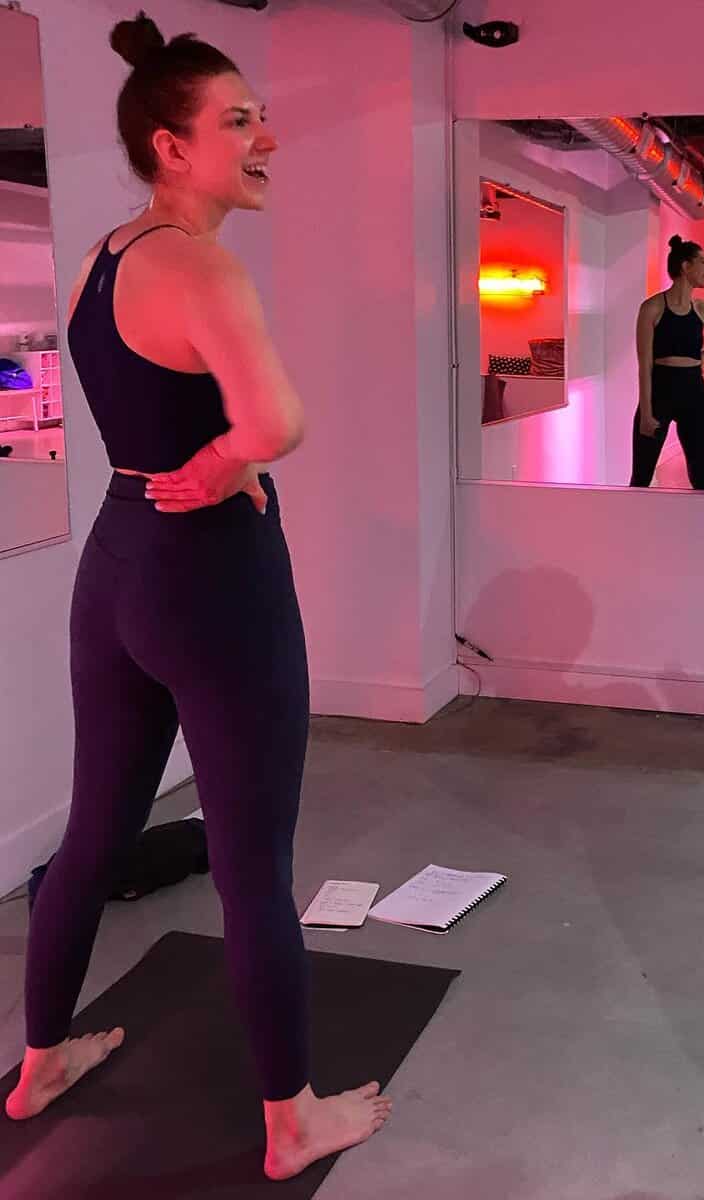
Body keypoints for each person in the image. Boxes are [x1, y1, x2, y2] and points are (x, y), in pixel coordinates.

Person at [4, 14, 390, 1180]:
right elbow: (277, 419)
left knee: (94, 833)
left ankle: (39, 1062)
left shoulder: (101, 259)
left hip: (117, 564)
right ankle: (291, 1122)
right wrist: (230, 461)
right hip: (211, 580)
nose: (266, 138)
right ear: (173, 147)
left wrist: (216, 455)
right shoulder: (202, 264)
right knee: (252, 863)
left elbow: (150, 406)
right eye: (239, 122)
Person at [631, 235, 704, 490]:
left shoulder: (702, 308)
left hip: (693, 391)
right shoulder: (652, 308)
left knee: (701, 478)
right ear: (685, 266)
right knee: (641, 477)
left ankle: (703, 517)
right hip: (660, 391)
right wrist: (646, 413)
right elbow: (645, 366)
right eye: (703, 262)